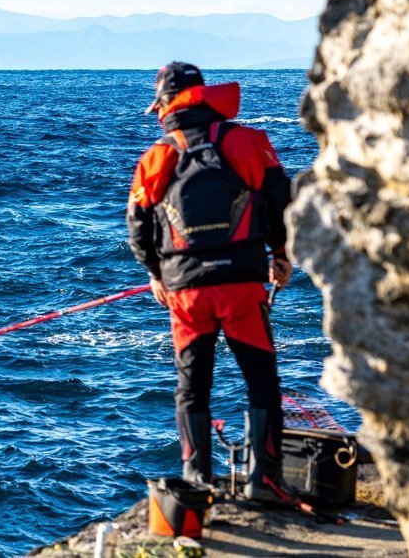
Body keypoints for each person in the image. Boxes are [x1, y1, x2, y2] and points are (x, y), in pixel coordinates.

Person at [126, 62, 297, 504]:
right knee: (261, 379)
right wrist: (281, 256)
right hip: (242, 283)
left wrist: (155, 273)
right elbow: (281, 202)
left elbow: (138, 225)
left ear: (165, 105)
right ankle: (266, 482)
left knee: (192, 384)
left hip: (186, 291)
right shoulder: (249, 142)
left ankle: (196, 480)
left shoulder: (157, 156)